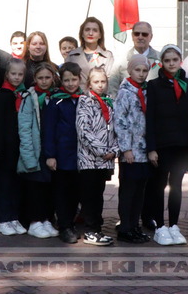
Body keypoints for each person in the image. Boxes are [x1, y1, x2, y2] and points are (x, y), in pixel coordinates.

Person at [146, 44, 188, 246]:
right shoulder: (154, 85)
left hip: (181, 144)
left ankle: (174, 225)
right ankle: (160, 226)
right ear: (162, 63)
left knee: (176, 185)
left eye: (175, 60)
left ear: (180, 61)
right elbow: (150, 118)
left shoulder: (187, 84)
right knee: (159, 185)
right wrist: (151, 148)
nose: (171, 63)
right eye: (167, 60)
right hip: (162, 144)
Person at [76, 67, 118, 246]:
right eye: (96, 82)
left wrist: (114, 149)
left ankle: (97, 228)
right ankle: (90, 230)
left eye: (103, 82)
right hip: (90, 159)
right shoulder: (85, 102)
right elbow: (83, 131)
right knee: (90, 195)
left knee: (99, 195)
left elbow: (115, 129)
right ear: (89, 84)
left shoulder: (109, 102)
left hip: (105, 161)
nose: (100, 85)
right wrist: (102, 151)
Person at [114, 55, 152, 244]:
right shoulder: (125, 92)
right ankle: (125, 227)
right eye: (137, 70)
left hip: (144, 150)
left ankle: (135, 225)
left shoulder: (145, 91)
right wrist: (126, 148)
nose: (141, 74)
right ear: (130, 71)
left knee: (139, 191)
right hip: (130, 152)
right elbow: (120, 122)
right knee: (128, 191)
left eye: (144, 71)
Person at [43, 62, 83, 244]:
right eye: (66, 80)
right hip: (62, 154)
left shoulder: (84, 98)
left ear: (80, 79)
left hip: (80, 154)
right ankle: (64, 225)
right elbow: (49, 130)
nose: (70, 83)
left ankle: (72, 222)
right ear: (61, 80)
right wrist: (50, 154)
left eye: (74, 79)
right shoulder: (55, 101)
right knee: (62, 191)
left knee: (75, 191)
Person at [19, 62, 59, 238]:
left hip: (50, 149)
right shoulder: (29, 97)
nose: (44, 81)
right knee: (35, 187)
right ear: (34, 78)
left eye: (47, 78)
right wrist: (28, 155)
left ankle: (46, 219)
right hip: (34, 150)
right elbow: (24, 128)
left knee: (48, 187)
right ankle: (35, 222)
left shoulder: (56, 96)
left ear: (53, 78)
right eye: (40, 78)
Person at [0, 58, 26, 236]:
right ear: (6, 74)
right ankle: (3, 219)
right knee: (4, 185)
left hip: (19, 148)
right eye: (13, 74)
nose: (17, 77)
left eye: (20, 74)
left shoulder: (23, 95)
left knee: (16, 185)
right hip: (3, 148)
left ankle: (14, 217)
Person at [108, 21, 161, 97]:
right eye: (136, 34)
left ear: (151, 37)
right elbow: (113, 89)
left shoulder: (161, 59)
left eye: (144, 34)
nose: (140, 37)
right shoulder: (121, 61)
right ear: (132, 36)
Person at [67, 17, 114, 87]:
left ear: (100, 35)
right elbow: (66, 79)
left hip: (99, 96)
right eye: (87, 30)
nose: (90, 33)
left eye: (95, 30)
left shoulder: (107, 56)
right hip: (77, 96)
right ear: (82, 34)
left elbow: (110, 81)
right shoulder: (72, 55)